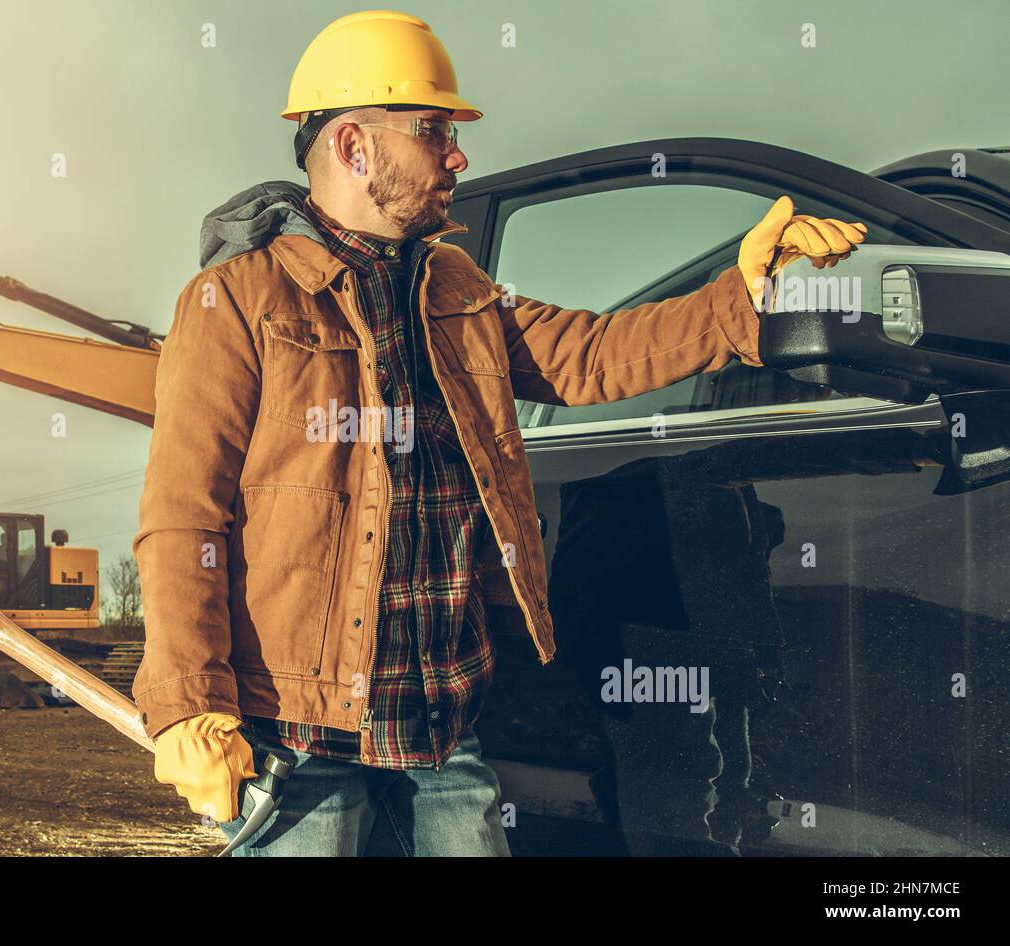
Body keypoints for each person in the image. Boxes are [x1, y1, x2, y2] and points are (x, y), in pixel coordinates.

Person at [131, 9, 866, 856]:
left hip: (442, 723)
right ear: (353, 146)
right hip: (300, 733)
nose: (458, 155)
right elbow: (184, 514)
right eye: (434, 130)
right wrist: (188, 703)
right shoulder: (238, 299)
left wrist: (743, 289)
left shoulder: (456, 286)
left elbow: (590, 356)